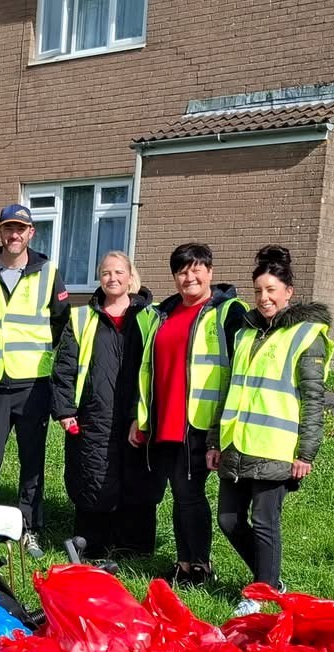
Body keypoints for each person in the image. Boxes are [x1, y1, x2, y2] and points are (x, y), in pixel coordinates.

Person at [211, 246, 331, 610]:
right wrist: (215, 440)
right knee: (229, 520)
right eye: (259, 290)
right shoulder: (245, 334)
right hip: (236, 442)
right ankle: (271, 580)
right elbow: (229, 389)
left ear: (288, 292)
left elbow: (313, 398)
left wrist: (305, 451)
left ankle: (259, 593)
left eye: (272, 291)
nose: (264, 299)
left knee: (264, 521)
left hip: (277, 446)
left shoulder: (307, 334)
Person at [133, 242, 249, 587]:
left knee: (189, 493)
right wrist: (140, 418)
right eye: (182, 270)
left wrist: (222, 425)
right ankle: (184, 564)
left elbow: (240, 368)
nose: (189, 276)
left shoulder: (227, 312)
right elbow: (147, 368)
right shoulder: (164, 312)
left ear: (210, 272)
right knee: (179, 492)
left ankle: (199, 566)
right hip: (165, 420)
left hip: (200, 420)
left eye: (197, 268)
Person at [0, 204, 69, 558]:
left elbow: (60, 321)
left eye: (20, 228)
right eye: (8, 228)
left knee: (32, 460)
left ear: (31, 233)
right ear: (0, 231)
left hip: (33, 381)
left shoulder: (48, 271)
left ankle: (30, 528)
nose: (14, 234)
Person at [50, 250, 156, 568]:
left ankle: (132, 548)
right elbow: (65, 366)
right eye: (107, 272)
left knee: (137, 478)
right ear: (100, 277)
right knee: (93, 476)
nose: (113, 278)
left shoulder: (151, 317)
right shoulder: (83, 317)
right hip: (93, 414)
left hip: (138, 414)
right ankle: (92, 545)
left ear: (130, 277)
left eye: (119, 272)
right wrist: (65, 410)